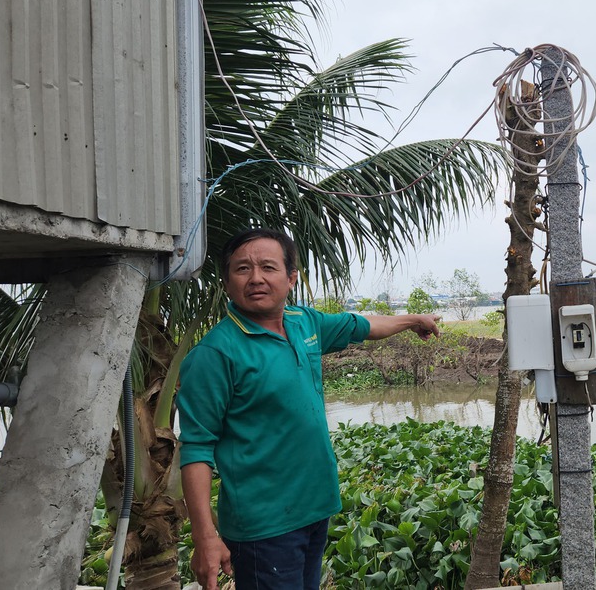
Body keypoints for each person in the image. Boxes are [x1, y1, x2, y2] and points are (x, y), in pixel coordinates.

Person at [176, 228, 440, 590]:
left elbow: (362, 326)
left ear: (291, 278)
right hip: (263, 526)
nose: (256, 278)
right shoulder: (214, 354)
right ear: (226, 283)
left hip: (316, 508)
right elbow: (196, 448)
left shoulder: (304, 323)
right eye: (242, 269)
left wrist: (413, 320)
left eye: (268, 267)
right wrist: (205, 536)